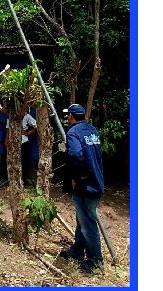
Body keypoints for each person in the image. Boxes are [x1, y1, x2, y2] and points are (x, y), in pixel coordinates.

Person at [59, 103, 105, 274]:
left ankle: (96, 262)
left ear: (71, 116)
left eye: (68, 115)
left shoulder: (73, 132)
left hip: (85, 185)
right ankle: (77, 251)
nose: (67, 118)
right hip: (96, 181)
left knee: (88, 224)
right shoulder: (92, 130)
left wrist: (78, 177)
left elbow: (76, 155)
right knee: (82, 219)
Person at [0, 97, 39, 186]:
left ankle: (23, 179)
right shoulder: (11, 115)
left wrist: (27, 132)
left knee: (24, 161)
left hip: (23, 142)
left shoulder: (26, 116)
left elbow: (37, 126)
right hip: (11, 142)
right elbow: (8, 129)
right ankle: (5, 178)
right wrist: (6, 140)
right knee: (5, 160)